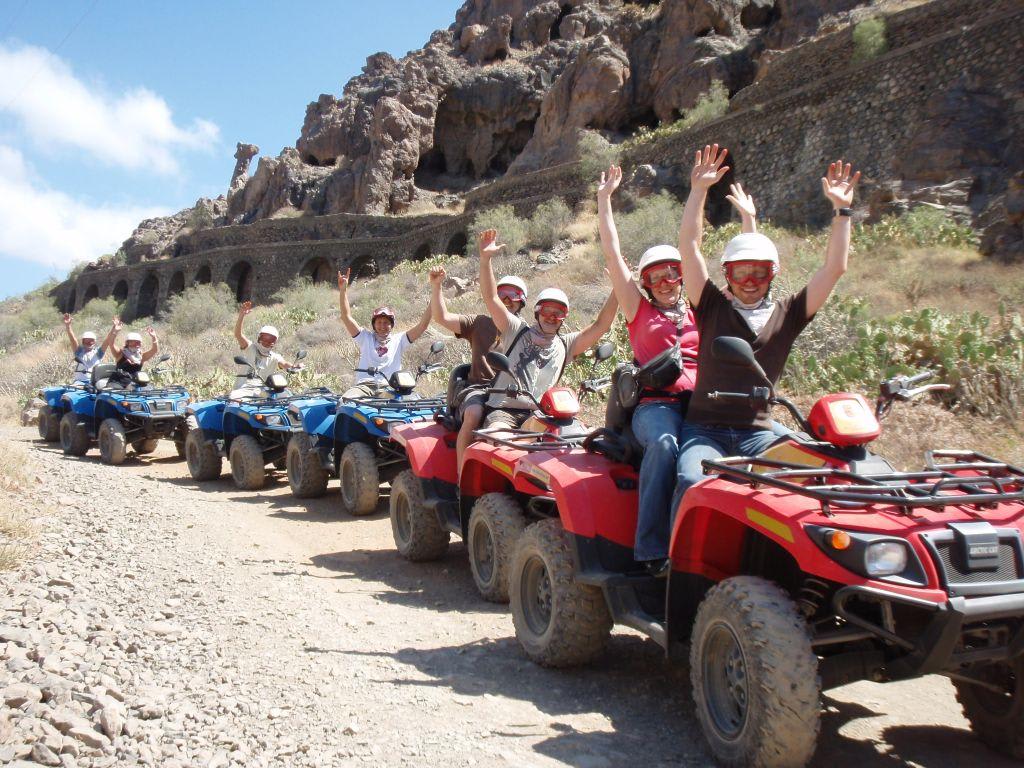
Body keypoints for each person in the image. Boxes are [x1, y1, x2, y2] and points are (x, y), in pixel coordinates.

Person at [674, 144, 860, 527]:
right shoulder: (711, 306)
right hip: (704, 429)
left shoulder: (789, 314)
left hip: (757, 431)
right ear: (727, 275)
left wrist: (842, 212)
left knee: (814, 482)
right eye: (740, 273)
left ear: (772, 274)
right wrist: (698, 191)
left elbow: (834, 268)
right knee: (692, 479)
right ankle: (676, 560)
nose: (749, 282)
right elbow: (689, 248)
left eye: (759, 273)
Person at [597, 166, 702, 575]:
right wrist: (605, 200)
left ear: (681, 275)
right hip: (657, 405)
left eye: (671, 273)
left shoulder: (700, 309)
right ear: (644, 282)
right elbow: (611, 251)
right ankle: (653, 550)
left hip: (703, 401)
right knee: (665, 445)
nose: (664, 281)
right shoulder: (637, 309)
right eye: (653, 276)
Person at [477, 228, 619, 429]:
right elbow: (491, 298)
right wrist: (485, 260)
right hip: (503, 411)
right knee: (500, 443)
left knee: (573, 445)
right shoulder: (516, 329)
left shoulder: (567, 344)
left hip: (540, 416)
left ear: (564, 317)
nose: (551, 317)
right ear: (537, 312)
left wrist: (617, 288)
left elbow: (601, 325)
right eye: (546, 311)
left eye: (558, 313)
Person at [427, 264, 528, 476]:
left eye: (513, 296)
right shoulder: (479, 323)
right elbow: (442, 317)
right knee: (474, 413)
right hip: (479, 389)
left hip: (512, 392)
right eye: (502, 295)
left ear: (522, 301)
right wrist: (436, 286)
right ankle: (462, 477)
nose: (507, 301)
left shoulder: (526, 332)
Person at [337, 268, 431, 399]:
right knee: (345, 401)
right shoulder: (365, 337)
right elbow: (346, 317)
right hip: (364, 386)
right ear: (374, 325)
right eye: (379, 322)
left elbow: (422, 326)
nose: (382, 326)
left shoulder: (399, 340)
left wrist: (435, 295)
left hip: (389, 387)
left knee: (409, 405)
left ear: (391, 325)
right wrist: (343, 290)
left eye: (386, 322)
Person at [233, 300, 301, 392]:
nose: (266, 343)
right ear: (259, 338)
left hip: (262, 394)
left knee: (286, 395)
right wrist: (241, 315)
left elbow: (284, 364)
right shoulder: (250, 348)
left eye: (270, 341)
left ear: (274, 342)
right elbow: (238, 335)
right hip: (242, 392)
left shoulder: (275, 357)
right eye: (264, 340)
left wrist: (294, 366)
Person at [103, 317, 160, 386]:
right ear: (127, 343)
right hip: (117, 383)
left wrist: (154, 337)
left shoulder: (141, 356)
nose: (137, 344)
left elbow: (154, 350)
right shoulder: (120, 353)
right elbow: (111, 343)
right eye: (134, 342)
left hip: (134, 384)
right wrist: (115, 331)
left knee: (149, 389)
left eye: (138, 342)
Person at [62, 313, 110, 384]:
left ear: (94, 342)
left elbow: (107, 341)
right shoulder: (79, 352)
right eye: (86, 341)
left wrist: (114, 329)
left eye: (91, 341)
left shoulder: (98, 353)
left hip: (95, 382)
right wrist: (68, 326)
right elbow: (73, 339)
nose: (89, 343)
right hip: (80, 383)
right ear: (83, 342)